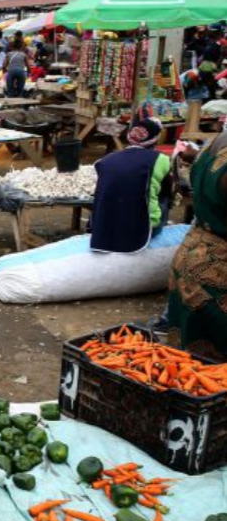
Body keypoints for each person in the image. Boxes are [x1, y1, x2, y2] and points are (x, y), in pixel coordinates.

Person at [167, 130, 227, 359]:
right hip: (217, 276)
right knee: (210, 374)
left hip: (192, 256)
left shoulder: (216, 141)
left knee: (187, 366)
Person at [90, 116, 172, 253]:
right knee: (164, 197)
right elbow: (167, 192)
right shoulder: (161, 159)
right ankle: (156, 224)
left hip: (102, 230)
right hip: (140, 230)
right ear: (155, 139)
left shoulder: (105, 161)